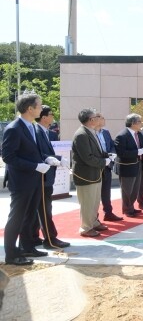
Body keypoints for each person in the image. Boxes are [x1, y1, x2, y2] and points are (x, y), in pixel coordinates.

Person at [2, 92, 48, 265]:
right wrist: (35, 166)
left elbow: (32, 152)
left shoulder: (32, 126)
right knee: (17, 217)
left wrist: (48, 159)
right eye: (39, 105)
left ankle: (27, 247)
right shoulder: (14, 128)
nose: (41, 108)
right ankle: (11, 254)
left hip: (34, 179)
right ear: (30, 108)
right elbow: (8, 157)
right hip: (21, 181)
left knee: (30, 216)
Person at [33, 105, 71, 249]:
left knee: (39, 208)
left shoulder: (44, 131)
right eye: (51, 114)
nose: (53, 116)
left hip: (45, 176)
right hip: (41, 177)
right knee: (44, 209)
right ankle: (50, 239)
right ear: (44, 117)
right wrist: (57, 159)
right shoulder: (37, 131)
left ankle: (34, 237)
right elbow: (38, 153)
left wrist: (58, 158)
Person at [71, 108, 111, 237]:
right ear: (91, 120)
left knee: (94, 201)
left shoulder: (90, 132)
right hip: (86, 175)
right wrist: (103, 162)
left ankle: (93, 222)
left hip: (95, 173)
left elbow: (97, 152)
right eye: (96, 117)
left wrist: (107, 156)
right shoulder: (81, 134)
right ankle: (86, 227)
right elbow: (87, 157)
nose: (99, 119)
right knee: (87, 202)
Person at [114, 113, 143, 218]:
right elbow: (121, 153)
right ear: (133, 123)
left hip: (137, 164)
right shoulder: (122, 135)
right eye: (139, 122)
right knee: (127, 190)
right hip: (127, 166)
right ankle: (127, 209)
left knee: (135, 188)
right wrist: (137, 152)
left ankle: (131, 207)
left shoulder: (138, 134)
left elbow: (141, 145)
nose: (141, 124)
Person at [95, 113, 123, 222]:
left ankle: (108, 213)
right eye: (102, 118)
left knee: (106, 191)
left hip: (107, 165)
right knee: (95, 193)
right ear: (96, 119)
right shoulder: (91, 133)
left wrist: (112, 154)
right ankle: (94, 217)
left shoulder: (105, 132)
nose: (104, 119)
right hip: (96, 166)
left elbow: (111, 145)